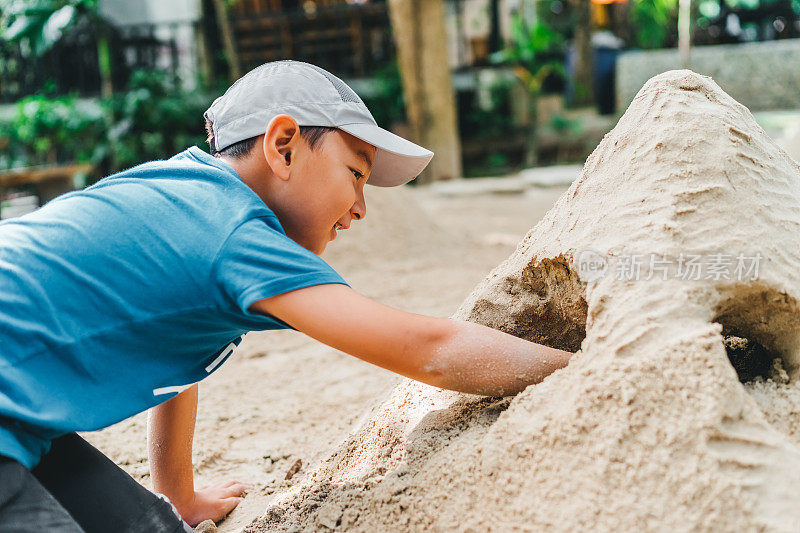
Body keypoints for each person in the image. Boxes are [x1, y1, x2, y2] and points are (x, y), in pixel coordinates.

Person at [0, 61, 573, 531]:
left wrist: (180, 496)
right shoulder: (234, 233)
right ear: (283, 146)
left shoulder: (187, 195)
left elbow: (177, 352)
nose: (361, 208)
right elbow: (430, 349)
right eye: (355, 173)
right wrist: (582, 368)